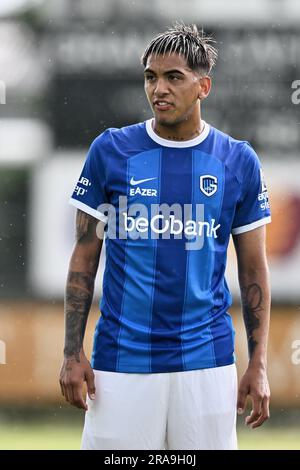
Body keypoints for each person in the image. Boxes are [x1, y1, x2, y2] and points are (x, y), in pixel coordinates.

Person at [59, 23, 271, 450]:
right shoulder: (112, 151)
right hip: (122, 360)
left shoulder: (237, 161)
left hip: (207, 361)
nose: (159, 88)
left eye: (174, 77)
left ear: (203, 86)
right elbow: (84, 256)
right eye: (151, 77)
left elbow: (252, 268)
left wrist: (259, 364)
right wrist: (71, 352)